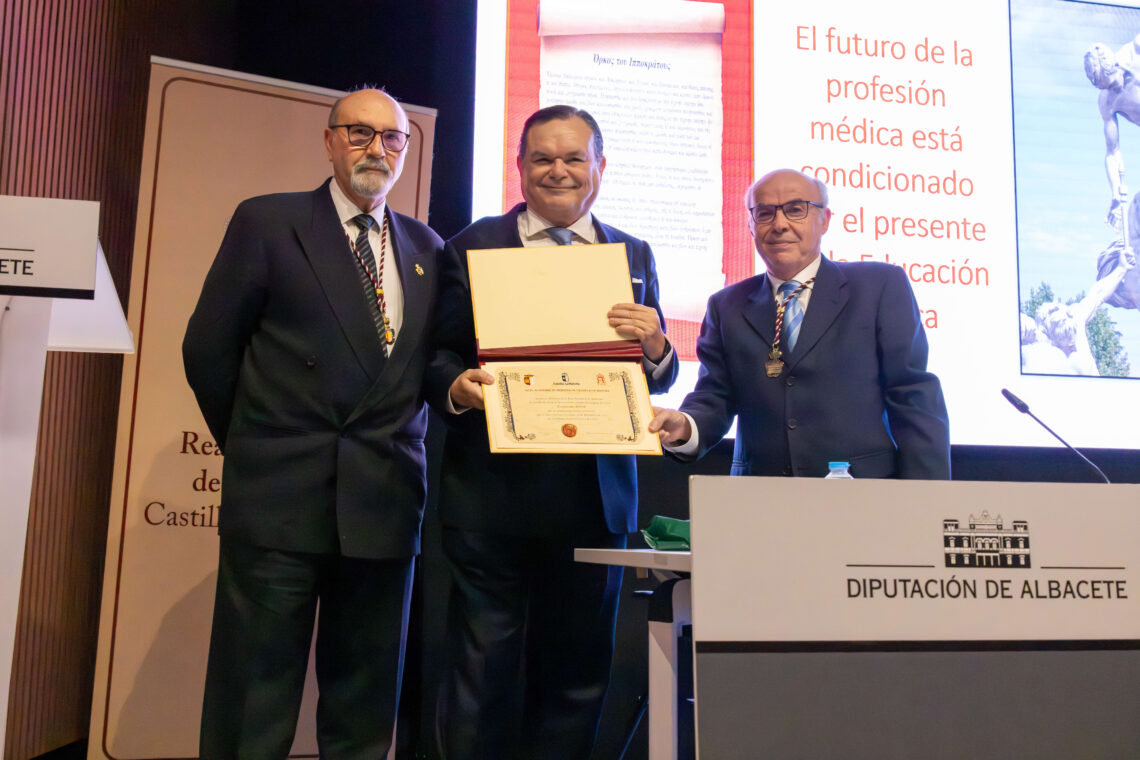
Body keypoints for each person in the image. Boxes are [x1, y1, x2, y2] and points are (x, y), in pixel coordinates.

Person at [182, 88, 444, 759]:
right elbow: (208, 351)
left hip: (383, 502)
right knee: (254, 697)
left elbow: (424, 369)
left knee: (364, 704)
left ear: (406, 153)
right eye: (359, 133)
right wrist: (259, 446)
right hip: (280, 500)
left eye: (392, 138)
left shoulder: (427, 247)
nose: (376, 149)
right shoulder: (269, 223)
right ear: (328, 141)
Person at [427, 105, 678, 759]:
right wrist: (455, 387)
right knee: (480, 678)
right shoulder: (473, 244)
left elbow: (655, 373)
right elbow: (435, 354)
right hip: (491, 500)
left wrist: (655, 347)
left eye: (573, 158)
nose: (558, 171)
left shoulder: (635, 252)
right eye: (542, 158)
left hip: (594, 502)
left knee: (577, 681)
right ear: (519, 167)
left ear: (600, 166)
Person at [649, 168, 950, 479]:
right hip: (762, 502)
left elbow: (913, 393)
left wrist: (927, 502)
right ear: (751, 226)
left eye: (795, 210)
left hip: (863, 497)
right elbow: (715, 397)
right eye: (765, 213)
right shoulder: (726, 306)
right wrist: (684, 426)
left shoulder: (880, 286)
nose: (780, 224)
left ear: (825, 220)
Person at [1026, 241, 1135, 376]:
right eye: (1053, 311)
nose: (1064, 312)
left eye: (1062, 309)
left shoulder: (1077, 322)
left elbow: (1098, 293)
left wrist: (1121, 268)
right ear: (1044, 330)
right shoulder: (1042, 351)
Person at [1085, 34, 1140, 229]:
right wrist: (1116, 194)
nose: (1115, 90)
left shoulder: (1135, 52)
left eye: (1114, 83)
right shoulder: (1107, 100)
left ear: (1116, 66)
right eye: (1107, 88)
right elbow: (1112, 151)